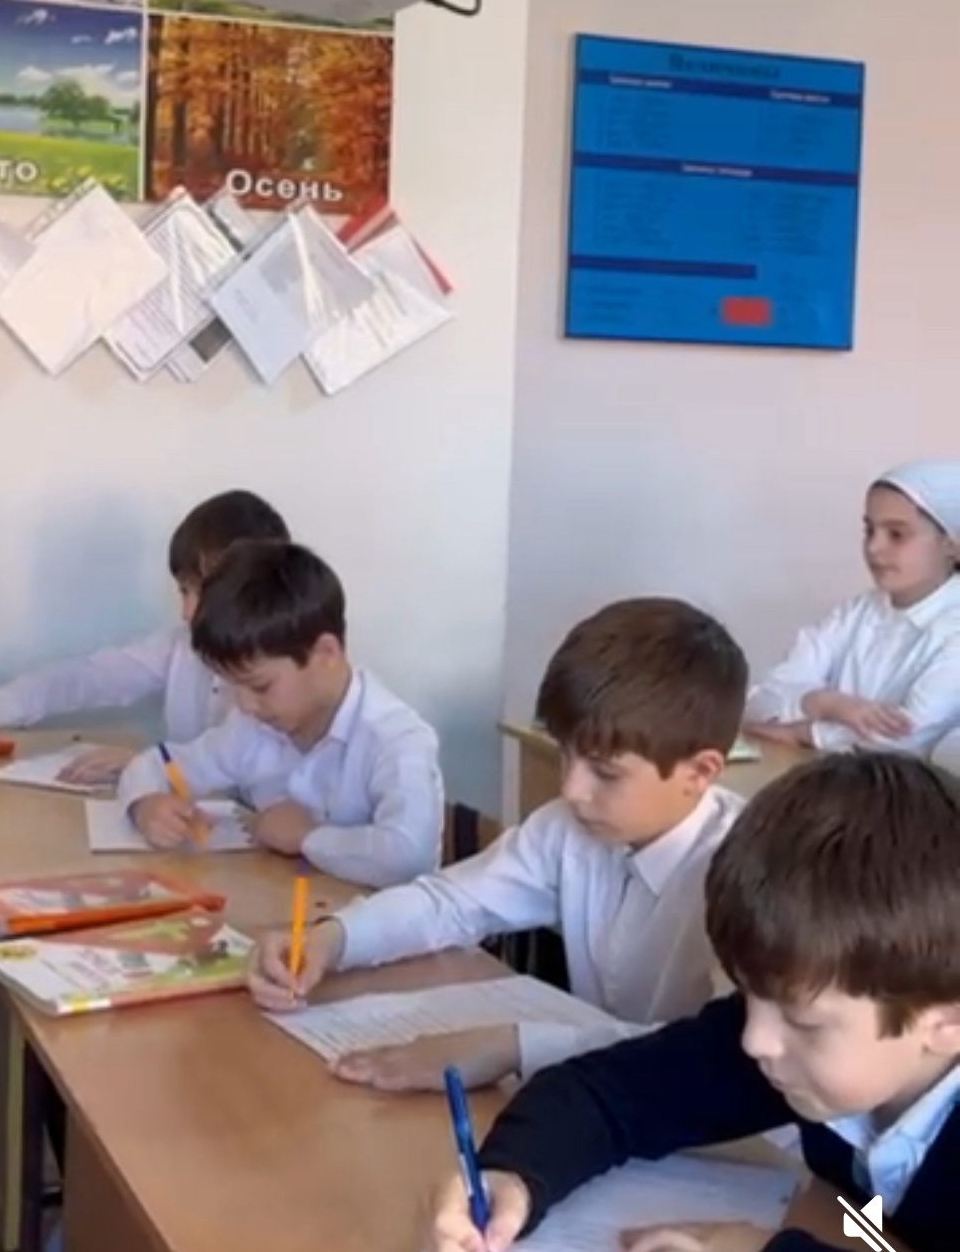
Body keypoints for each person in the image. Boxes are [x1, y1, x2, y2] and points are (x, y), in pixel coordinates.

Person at [427, 753, 959, 1252]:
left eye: (802, 1021)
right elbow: (606, 1094)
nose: (754, 1039)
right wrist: (514, 1174)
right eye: (749, 993)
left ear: (947, 1021)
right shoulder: (808, 1037)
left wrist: (763, 1248)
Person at [248, 597, 747, 1088]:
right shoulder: (570, 829)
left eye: (606, 773)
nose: (571, 788)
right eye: (565, 756)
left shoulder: (748, 875)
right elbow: (451, 902)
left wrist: (513, 1047)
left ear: (699, 772)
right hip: (601, 1097)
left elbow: (715, 1055)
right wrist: (332, 939)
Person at [116, 540, 444, 888]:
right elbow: (158, 763)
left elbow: (408, 856)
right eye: (232, 686)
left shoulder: (396, 738)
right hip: (284, 908)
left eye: (260, 686)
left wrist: (308, 836)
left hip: (371, 920)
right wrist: (145, 805)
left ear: (326, 654)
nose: (245, 704)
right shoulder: (253, 725)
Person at [0, 489, 289, 781]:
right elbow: (86, 678)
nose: (186, 612)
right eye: (183, 591)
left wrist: (153, 768)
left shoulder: (291, 676)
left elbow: (251, 780)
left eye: (200, 592)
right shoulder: (183, 647)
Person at [745, 459, 960, 757]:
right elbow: (759, 701)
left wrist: (803, 732)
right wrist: (825, 703)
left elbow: (907, 737)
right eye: (869, 530)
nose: (873, 547)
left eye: (896, 534)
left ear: (952, 544)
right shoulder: (857, 611)